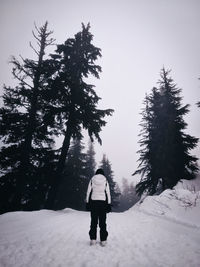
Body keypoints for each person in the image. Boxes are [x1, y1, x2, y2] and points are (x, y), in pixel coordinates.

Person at [86, 168, 111, 246]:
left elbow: (88, 191)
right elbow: (108, 193)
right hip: (102, 203)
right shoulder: (105, 180)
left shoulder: (92, 179)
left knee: (94, 221)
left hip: (94, 202)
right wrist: (109, 204)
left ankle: (93, 239)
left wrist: (87, 202)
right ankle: (103, 240)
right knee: (102, 222)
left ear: (96, 173)